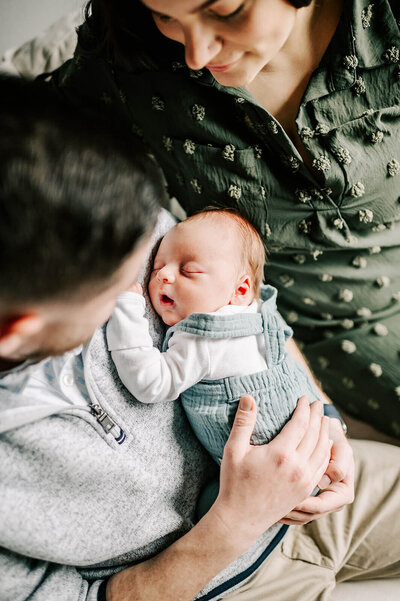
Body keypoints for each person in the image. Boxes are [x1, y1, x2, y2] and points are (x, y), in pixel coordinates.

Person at [0, 77, 398, 601]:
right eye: (119, 289)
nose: (147, 279)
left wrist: (324, 418)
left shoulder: (95, 201)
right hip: (204, 582)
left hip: (314, 471)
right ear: (17, 331)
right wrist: (236, 520)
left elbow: (245, 304)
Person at [49, 0, 400, 440]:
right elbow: (36, 143)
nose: (196, 52)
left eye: (226, 10)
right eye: (168, 17)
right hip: (323, 327)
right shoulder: (131, 68)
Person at [107, 208, 332, 470]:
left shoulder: (204, 339)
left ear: (240, 290)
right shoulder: (259, 310)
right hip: (319, 448)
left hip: (269, 470)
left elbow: (151, 382)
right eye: (157, 265)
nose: (162, 275)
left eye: (188, 270)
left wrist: (126, 309)